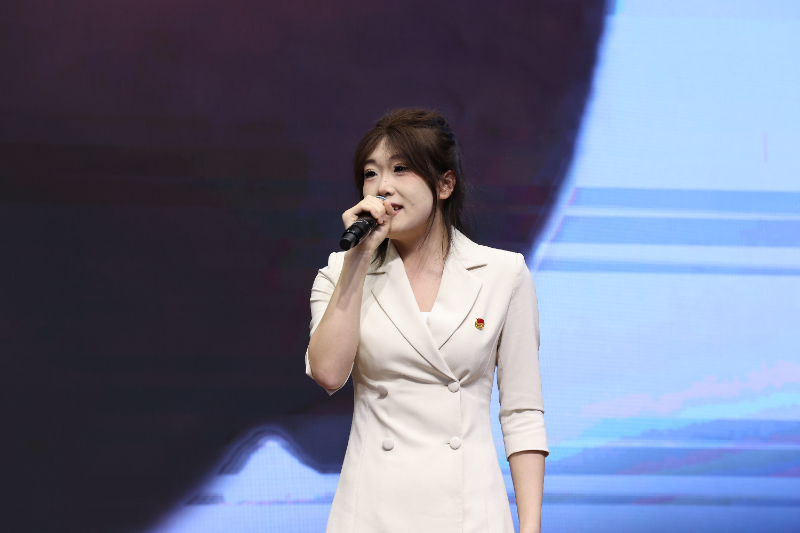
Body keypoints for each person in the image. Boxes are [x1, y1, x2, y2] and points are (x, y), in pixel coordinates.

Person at [305, 108, 548, 533]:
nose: (383, 186)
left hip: (470, 512)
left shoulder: (503, 274)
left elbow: (522, 412)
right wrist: (358, 259)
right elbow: (327, 373)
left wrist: (530, 528)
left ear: (444, 184)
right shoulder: (339, 273)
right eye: (370, 173)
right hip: (372, 511)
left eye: (401, 169)